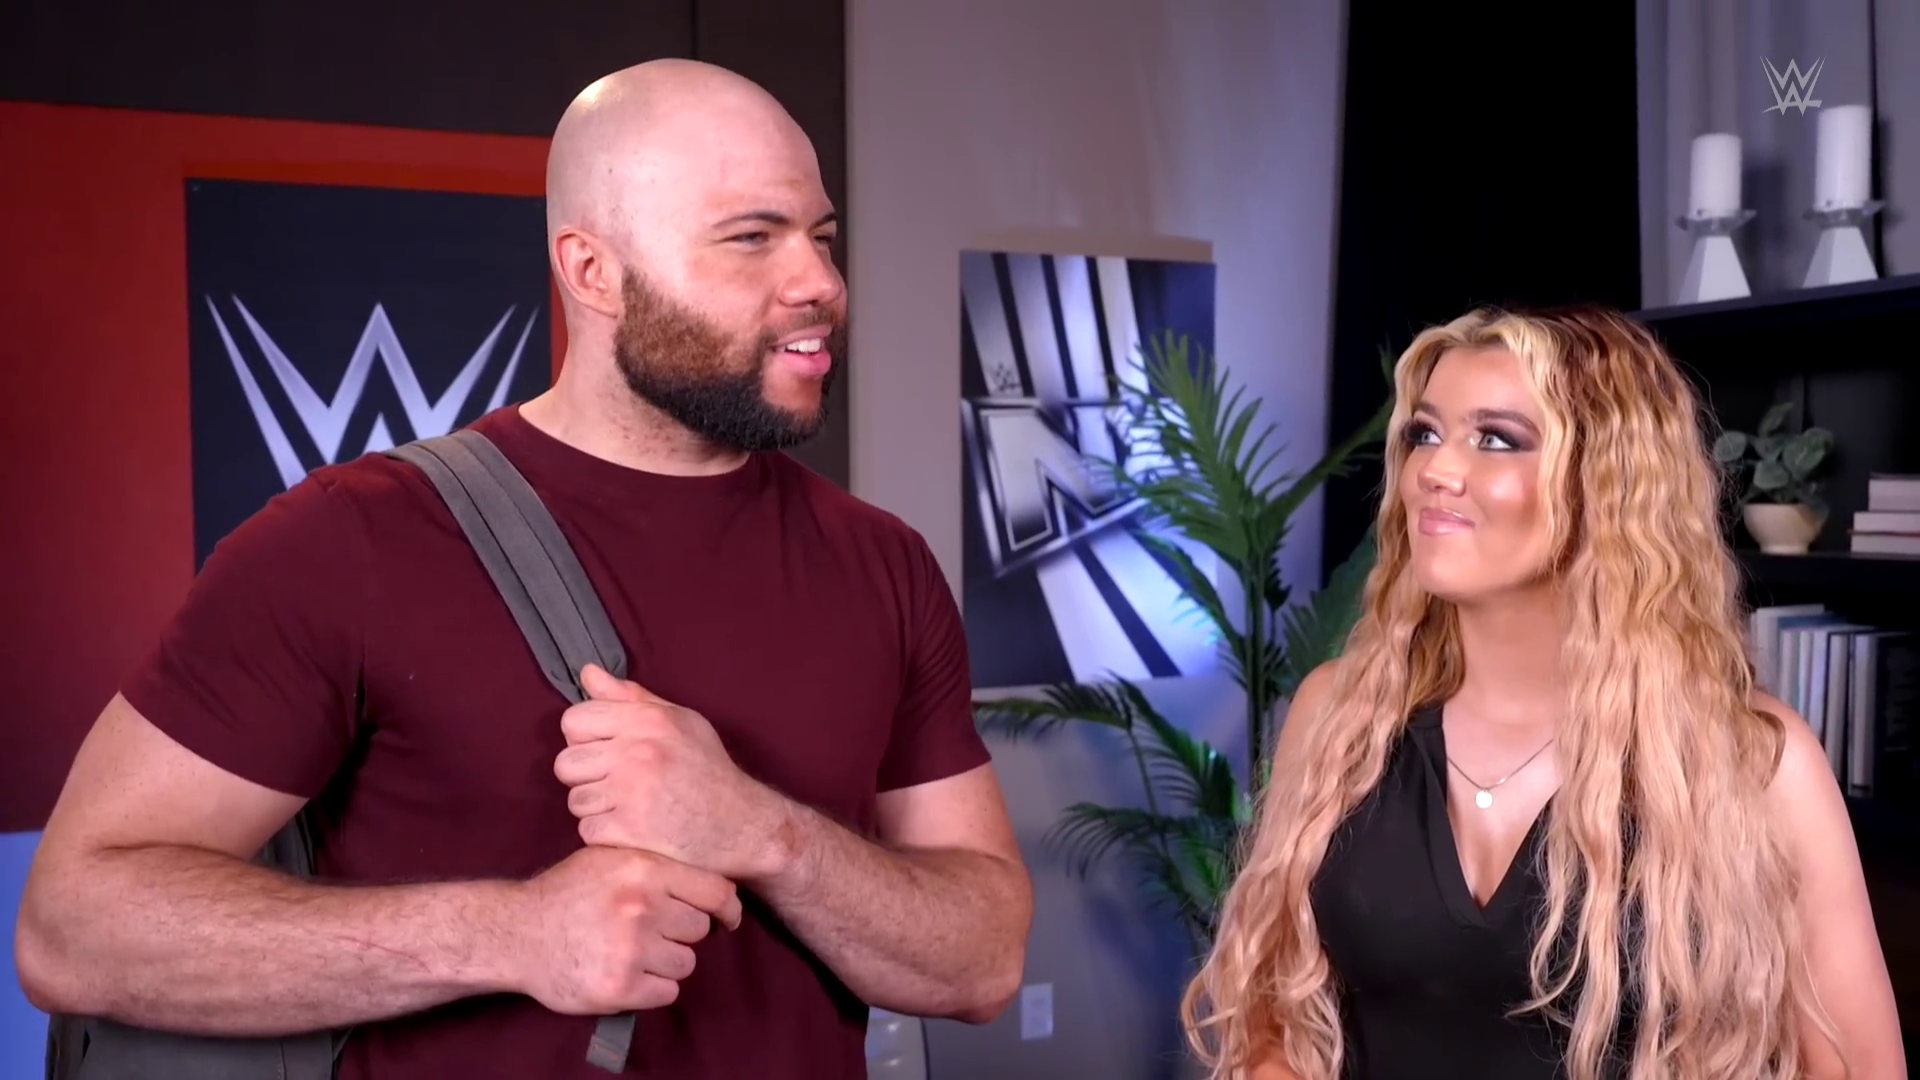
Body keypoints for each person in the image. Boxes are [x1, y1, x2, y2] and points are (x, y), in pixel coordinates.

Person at [16, 58, 1033, 1079]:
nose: (819, 284)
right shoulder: (350, 542)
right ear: (592, 271)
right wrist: (513, 936)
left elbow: (984, 961)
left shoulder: (880, 562)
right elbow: (71, 929)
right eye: (751, 239)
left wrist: (763, 832)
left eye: (821, 237)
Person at [1180, 305, 1907, 1080]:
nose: (1434, 471)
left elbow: (1861, 1067)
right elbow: (1269, 1021)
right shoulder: (1339, 718)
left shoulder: (1753, 759)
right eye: (1425, 433)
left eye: (1495, 439)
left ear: (1606, 482)